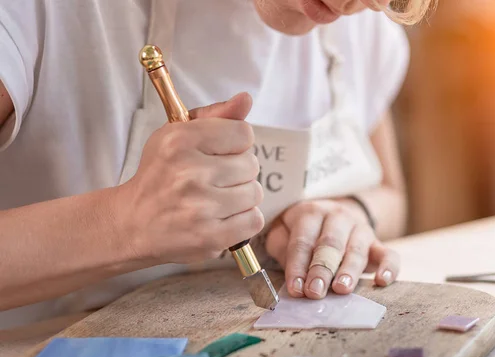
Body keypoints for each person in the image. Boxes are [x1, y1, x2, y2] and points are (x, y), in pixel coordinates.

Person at [0, 0, 432, 329]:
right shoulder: (39, 14)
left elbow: (390, 194)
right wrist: (122, 223)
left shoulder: (360, 29)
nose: (347, 5)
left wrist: (349, 213)